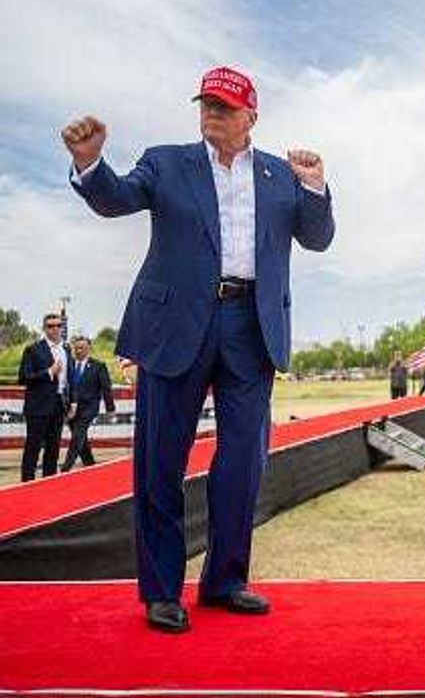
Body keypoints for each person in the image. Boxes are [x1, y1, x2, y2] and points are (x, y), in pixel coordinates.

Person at [63, 65, 335, 633]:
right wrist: (90, 164)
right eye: (206, 102)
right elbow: (116, 198)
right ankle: (162, 590)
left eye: (225, 106)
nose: (212, 111)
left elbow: (316, 236)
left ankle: (225, 581)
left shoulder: (280, 176)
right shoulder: (166, 162)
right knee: (161, 460)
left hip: (250, 326)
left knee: (242, 463)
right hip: (175, 326)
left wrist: (314, 185)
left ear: (251, 117)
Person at [17, 313, 76, 481]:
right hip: (37, 406)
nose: (55, 329)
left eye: (58, 325)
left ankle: (49, 484)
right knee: (33, 448)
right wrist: (49, 372)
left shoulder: (66, 349)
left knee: (53, 448)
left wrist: (73, 402)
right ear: (44, 328)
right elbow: (23, 378)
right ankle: (27, 485)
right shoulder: (33, 349)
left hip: (59, 405)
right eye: (51, 326)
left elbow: (70, 379)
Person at [62, 335, 116, 472]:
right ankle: (91, 467)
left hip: (89, 409)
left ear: (88, 349)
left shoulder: (99, 366)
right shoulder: (69, 365)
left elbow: (106, 389)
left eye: (82, 348)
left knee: (76, 438)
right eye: (77, 348)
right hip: (71, 409)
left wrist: (110, 409)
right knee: (81, 439)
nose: (79, 350)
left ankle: (65, 469)